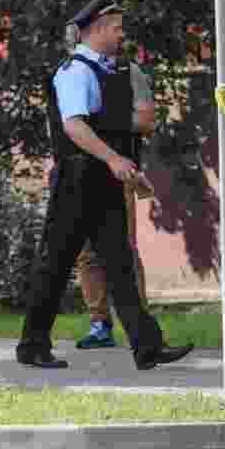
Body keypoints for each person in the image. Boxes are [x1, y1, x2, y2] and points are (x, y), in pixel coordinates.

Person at [17, 0, 194, 370]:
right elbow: (74, 127)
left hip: (105, 179)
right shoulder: (76, 71)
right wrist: (114, 159)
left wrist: (129, 171)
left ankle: (147, 347)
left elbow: (115, 129)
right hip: (78, 179)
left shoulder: (110, 72)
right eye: (115, 27)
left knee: (120, 263)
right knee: (56, 263)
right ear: (95, 30)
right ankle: (32, 345)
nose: (120, 34)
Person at [74, 61, 155, 349]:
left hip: (118, 171)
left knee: (123, 248)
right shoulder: (72, 72)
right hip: (79, 172)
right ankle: (99, 325)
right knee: (86, 253)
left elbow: (145, 121)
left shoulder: (128, 73)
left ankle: (141, 327)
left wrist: (98, 122)